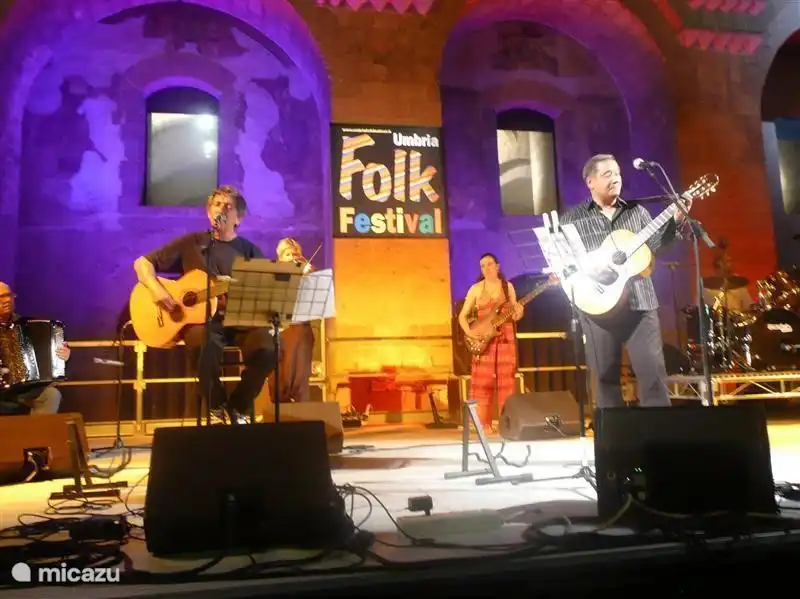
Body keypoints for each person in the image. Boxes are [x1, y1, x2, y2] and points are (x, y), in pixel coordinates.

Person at [558, 154, 692, 410]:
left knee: (653, 375)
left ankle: (660, 440)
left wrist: (676, 221)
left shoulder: (637, 212)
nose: (616, 178)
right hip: (597, 307)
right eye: (608, 174)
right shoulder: (572, 219)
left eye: (618, 173)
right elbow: (563, 262)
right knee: (605, 380)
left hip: (640, 304)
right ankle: (614, 444)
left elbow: (657, 246)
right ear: (590, 181)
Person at [133, 185, 276, 424]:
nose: (221, 209)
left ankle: (238, 406)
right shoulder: (192, 243)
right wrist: (157, 290)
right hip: (202, 321)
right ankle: (215, 406)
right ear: (209, 213)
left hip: (240, 321)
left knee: (268, 350)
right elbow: (142, 263)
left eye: (228, 206)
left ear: (239, 218)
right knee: (202, 344)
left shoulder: (250, 251)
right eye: (217, 205)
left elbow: (267, 289)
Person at [458, 253, 524, 430]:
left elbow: (515, 315)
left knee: (506, 381)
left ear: (497, 266)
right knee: (482, 381)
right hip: (484, 338)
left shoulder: (507, 287)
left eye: (489, 264)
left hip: (505, 339)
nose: (486, 268)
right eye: (482, 266)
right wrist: (470, 333)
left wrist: (519, 311)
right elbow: (462, 316)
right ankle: (482, 425)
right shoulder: (476, 289)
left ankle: (506, 423)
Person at [0, 281, 71, 415]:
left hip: (22, 389)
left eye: (9, 295)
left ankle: (39, 435)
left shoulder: (24, 325)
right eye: (1, 297)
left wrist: (62, 357)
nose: (7, 300)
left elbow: (46, 354)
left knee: (51, 395)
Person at [269, 237, 316, 403]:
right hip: (277, 330)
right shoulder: (273, 277)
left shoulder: (306, 276)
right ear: (281, 258)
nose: (293, 258)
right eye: (288, 254)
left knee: (299, 336)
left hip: (299, 328)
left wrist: (309, 278)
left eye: (296, 255)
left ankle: (300, 404)